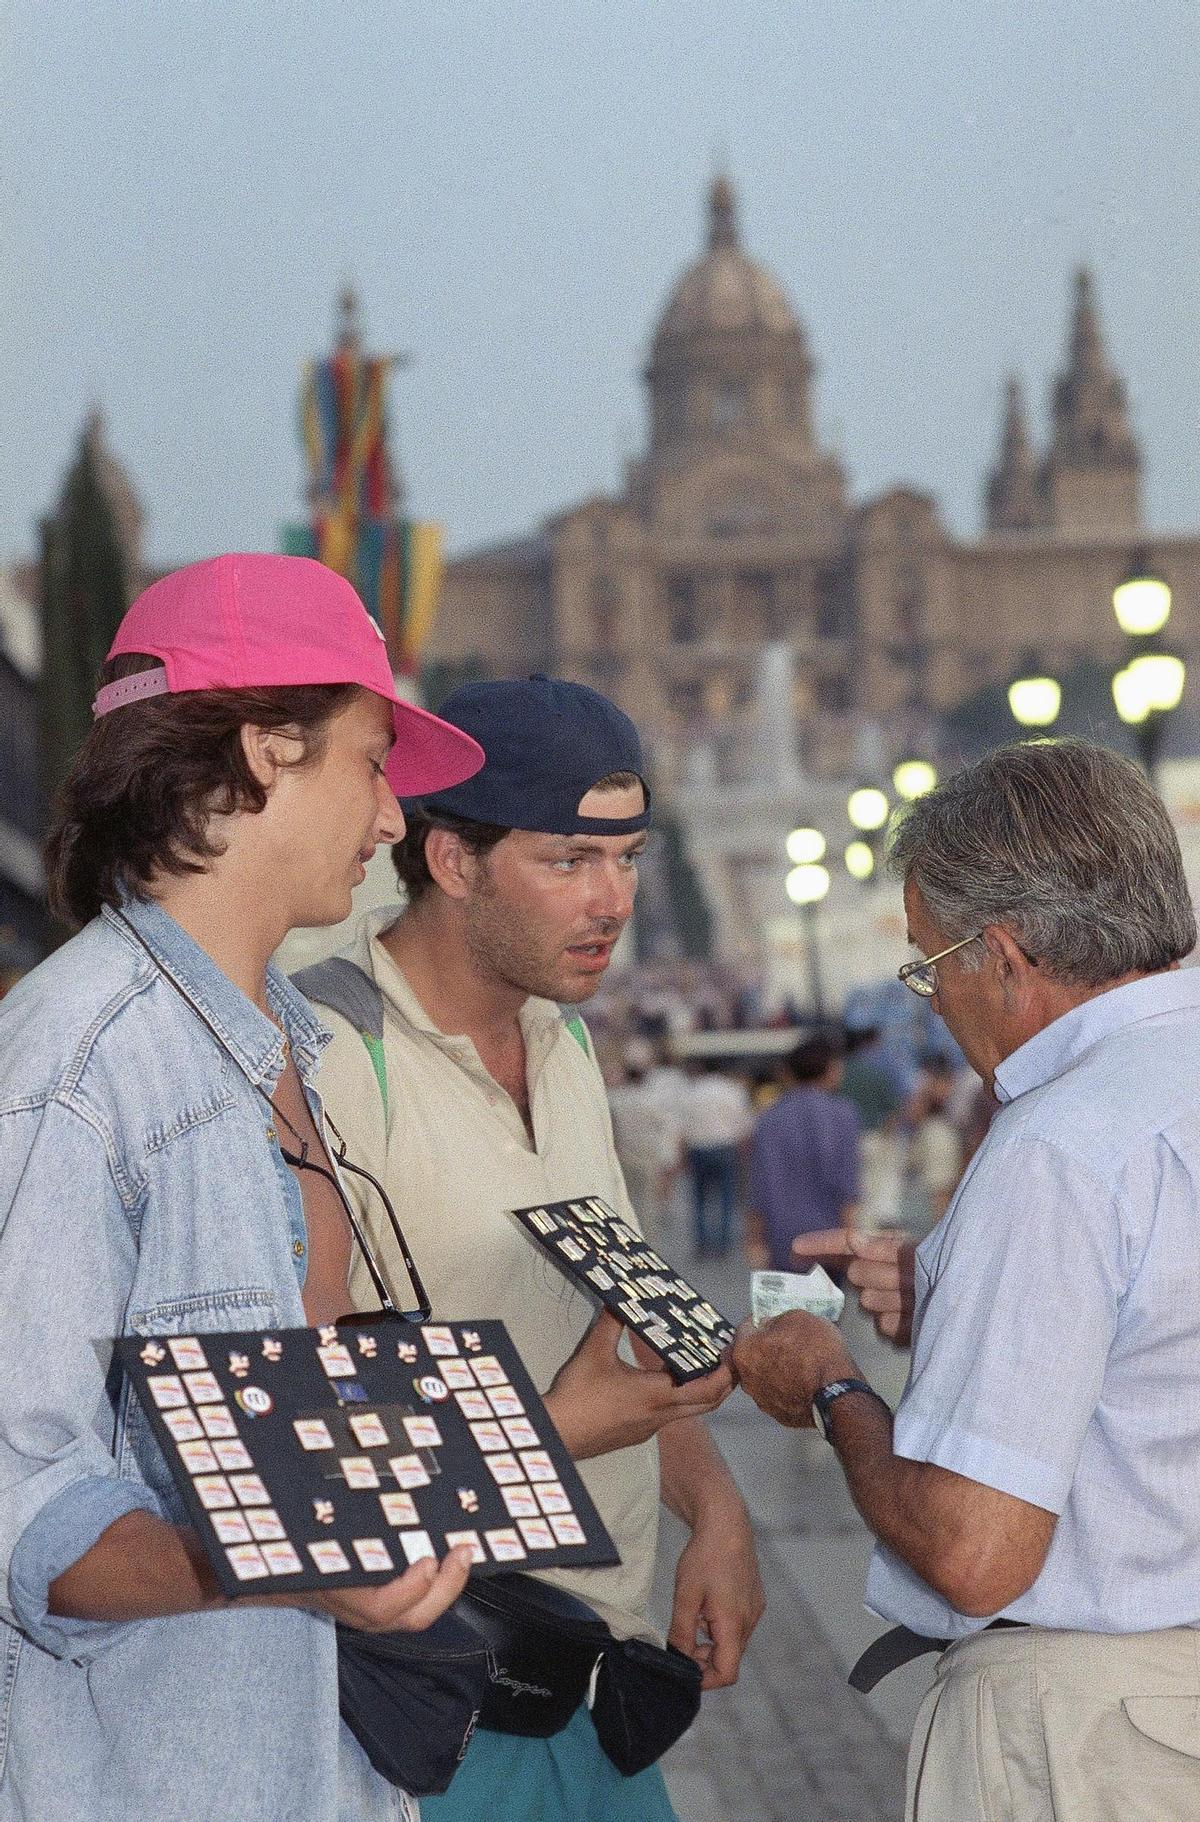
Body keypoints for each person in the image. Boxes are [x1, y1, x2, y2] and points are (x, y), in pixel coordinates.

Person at [0, 554, 485, 1822]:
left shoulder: (278, 1045)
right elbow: (19, 1508)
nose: (392, 821)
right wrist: (289, 1561)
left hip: (311, 1763)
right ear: (267, 750)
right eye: (372, 761)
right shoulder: (81, 1063)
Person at [299, 676, 763, 1822]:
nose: (613, 899)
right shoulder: (318, 1054)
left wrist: (718, 1508)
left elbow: (612, 1328)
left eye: (629, 858)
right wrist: (567, 1428)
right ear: (451, 859)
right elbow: (306, 1435)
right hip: (423, 1710)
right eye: (568, 861)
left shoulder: (564, 1047)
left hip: (597, 1688)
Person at [734, 739, 1200, 1822]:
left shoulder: (1057, 1146)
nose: (933, 996)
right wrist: (957, 1294)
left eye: (927, 959)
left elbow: (975, 1550)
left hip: (1085, 1729)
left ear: (1002, 954)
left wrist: (835, 1390)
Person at [744, 1032, 859, 1272]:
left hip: (782, 1238)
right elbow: (847, 1187)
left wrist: (754, 1239)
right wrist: (852, 1242)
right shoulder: (844, 1115)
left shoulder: (769, 1118)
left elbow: (759, 1186)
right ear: (829, 1070)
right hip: (830, 1239)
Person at [608, 1038, 682, 1248]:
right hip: (648, 1156)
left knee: (624, 1201)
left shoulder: (615, 1097)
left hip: (623, 1156)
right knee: (648, 1204)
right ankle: (648, 1245)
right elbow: (667, 1127)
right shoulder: (652, 1099)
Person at [677, 1059, 754, 1258]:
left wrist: (682, 1156)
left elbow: (682, 1128)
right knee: (726, 1199)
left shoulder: (691, 1091)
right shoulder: (733, 1090)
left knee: (700, 1200)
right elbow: (744, 1126)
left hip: (698, 1148)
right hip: (725, 1148)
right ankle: (722, 1244)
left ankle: (703, 1243)